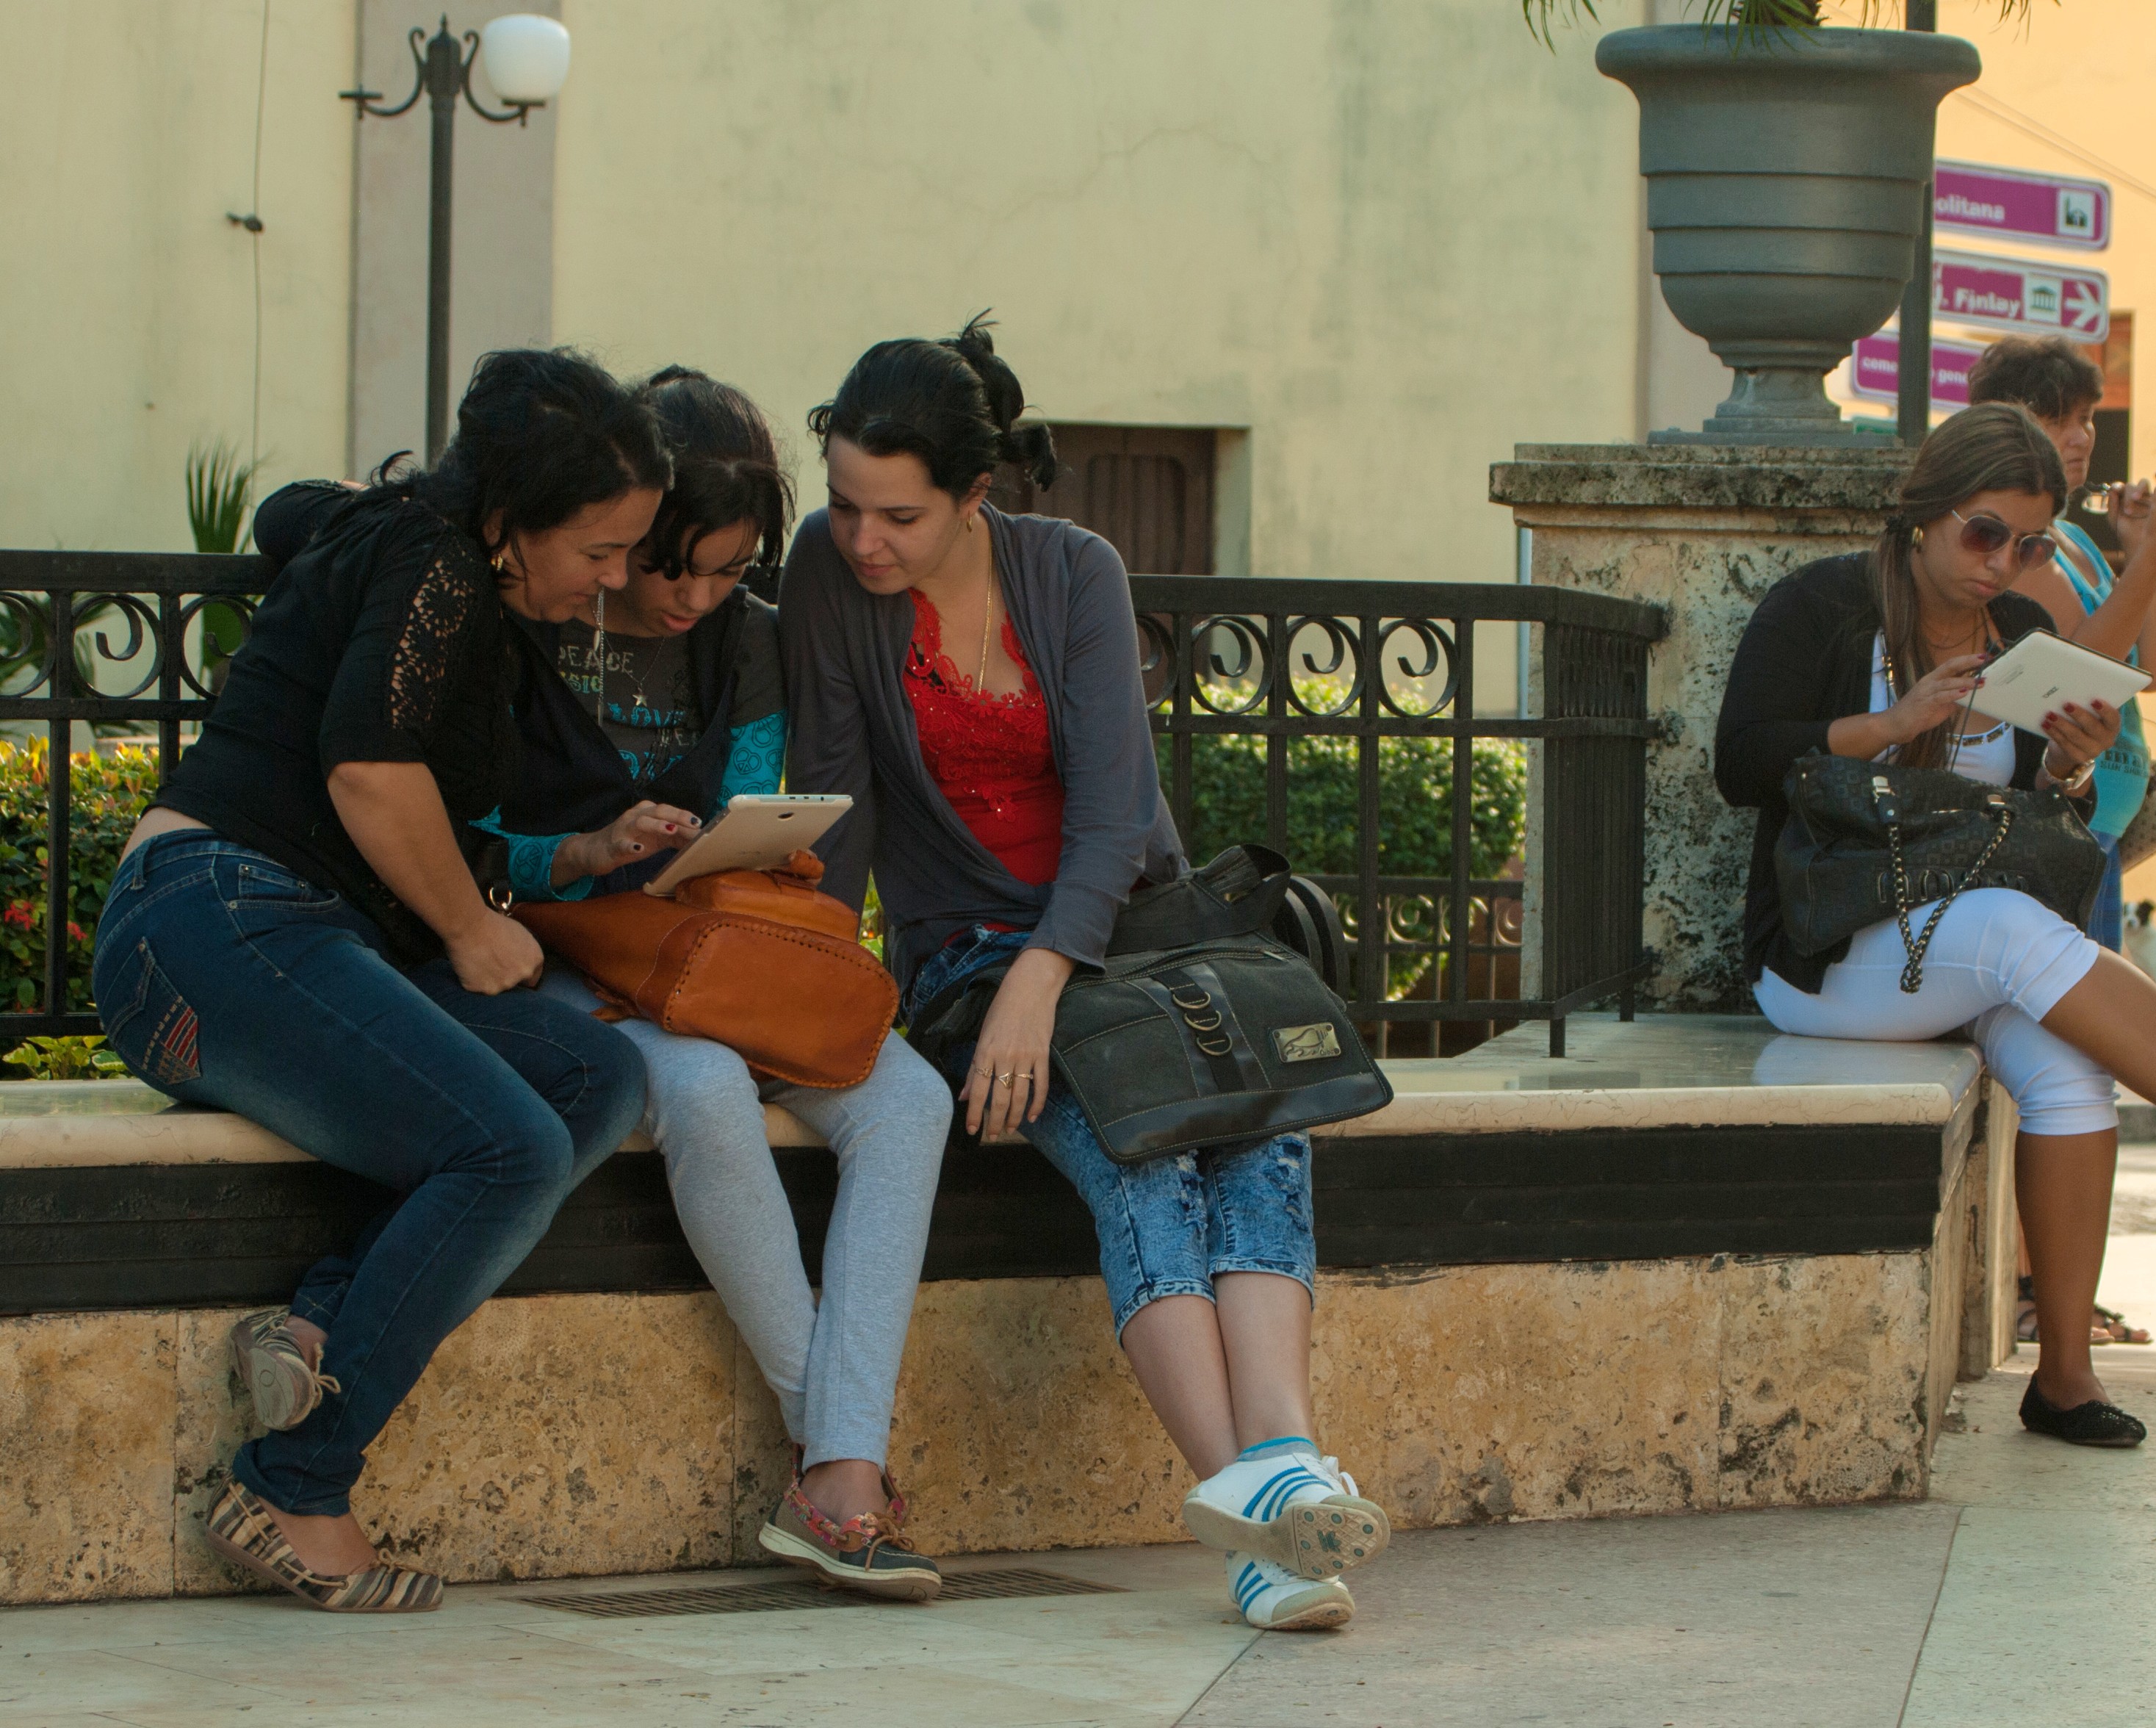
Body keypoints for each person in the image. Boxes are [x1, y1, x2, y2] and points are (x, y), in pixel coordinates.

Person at [780, 318, 1383, 1632]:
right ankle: (1263, 1498)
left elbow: (1117, 815)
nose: (861, 538)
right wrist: (813, 985)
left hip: (1126, 933)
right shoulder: (829, 576)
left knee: (1255, 1124)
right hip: (962, 963)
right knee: (1142, 1143)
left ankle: (1272, 1468)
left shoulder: (1074, 571)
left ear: (972, 496)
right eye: (842, 504)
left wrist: (1044, 977)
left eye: (896, 514)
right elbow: (833, 808)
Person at [93, 349, 664, 1612]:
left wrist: (565, 859)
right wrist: (468, 929)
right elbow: (367, 769)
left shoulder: (406, 540)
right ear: (510, 523)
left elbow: (289, 511)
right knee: (508, 1147)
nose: (615, 578)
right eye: (600, 546)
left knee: (592, 1074)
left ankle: (315, 1331)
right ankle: (295, 1483)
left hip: (286, 933)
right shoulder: (440, 566)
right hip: (208, 926)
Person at [1713, 402, 2156, 1450]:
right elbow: (1740, 762)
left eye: (2026, 544)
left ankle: (2064, 1378)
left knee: (2069, 1070)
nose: (2001, 563)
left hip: (1961, 950)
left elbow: (2015, 810)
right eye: (1983, 534)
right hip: (1828, 957)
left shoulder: (2020, 634)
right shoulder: (1825, 608)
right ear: (1922, 514)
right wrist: (1892, 725)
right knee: (2017, 930)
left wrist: (2069, 756)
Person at [483, 367, 954, 1600]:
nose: (692, 598)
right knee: (698, 1087)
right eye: (666, 568)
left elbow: (743, 805)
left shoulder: (742, 642)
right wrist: (579, 852)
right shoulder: (533, 618)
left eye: (726, 571)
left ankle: (830, 1472)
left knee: (907, 1102)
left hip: (705, 949)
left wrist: (731, 841)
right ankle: (842, 1463)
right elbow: (468, 837)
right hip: (561, 955)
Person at [1966, 336, 2156, 951]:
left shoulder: (2075, 540)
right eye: (2058, 420)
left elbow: (2154, 670)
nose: (2081, 437)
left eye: (2087, 419)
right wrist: (2153, 548)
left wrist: (2138, 544)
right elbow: (2085, 673)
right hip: (2066, 816)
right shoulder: (2028, 544)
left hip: (2106, 819)